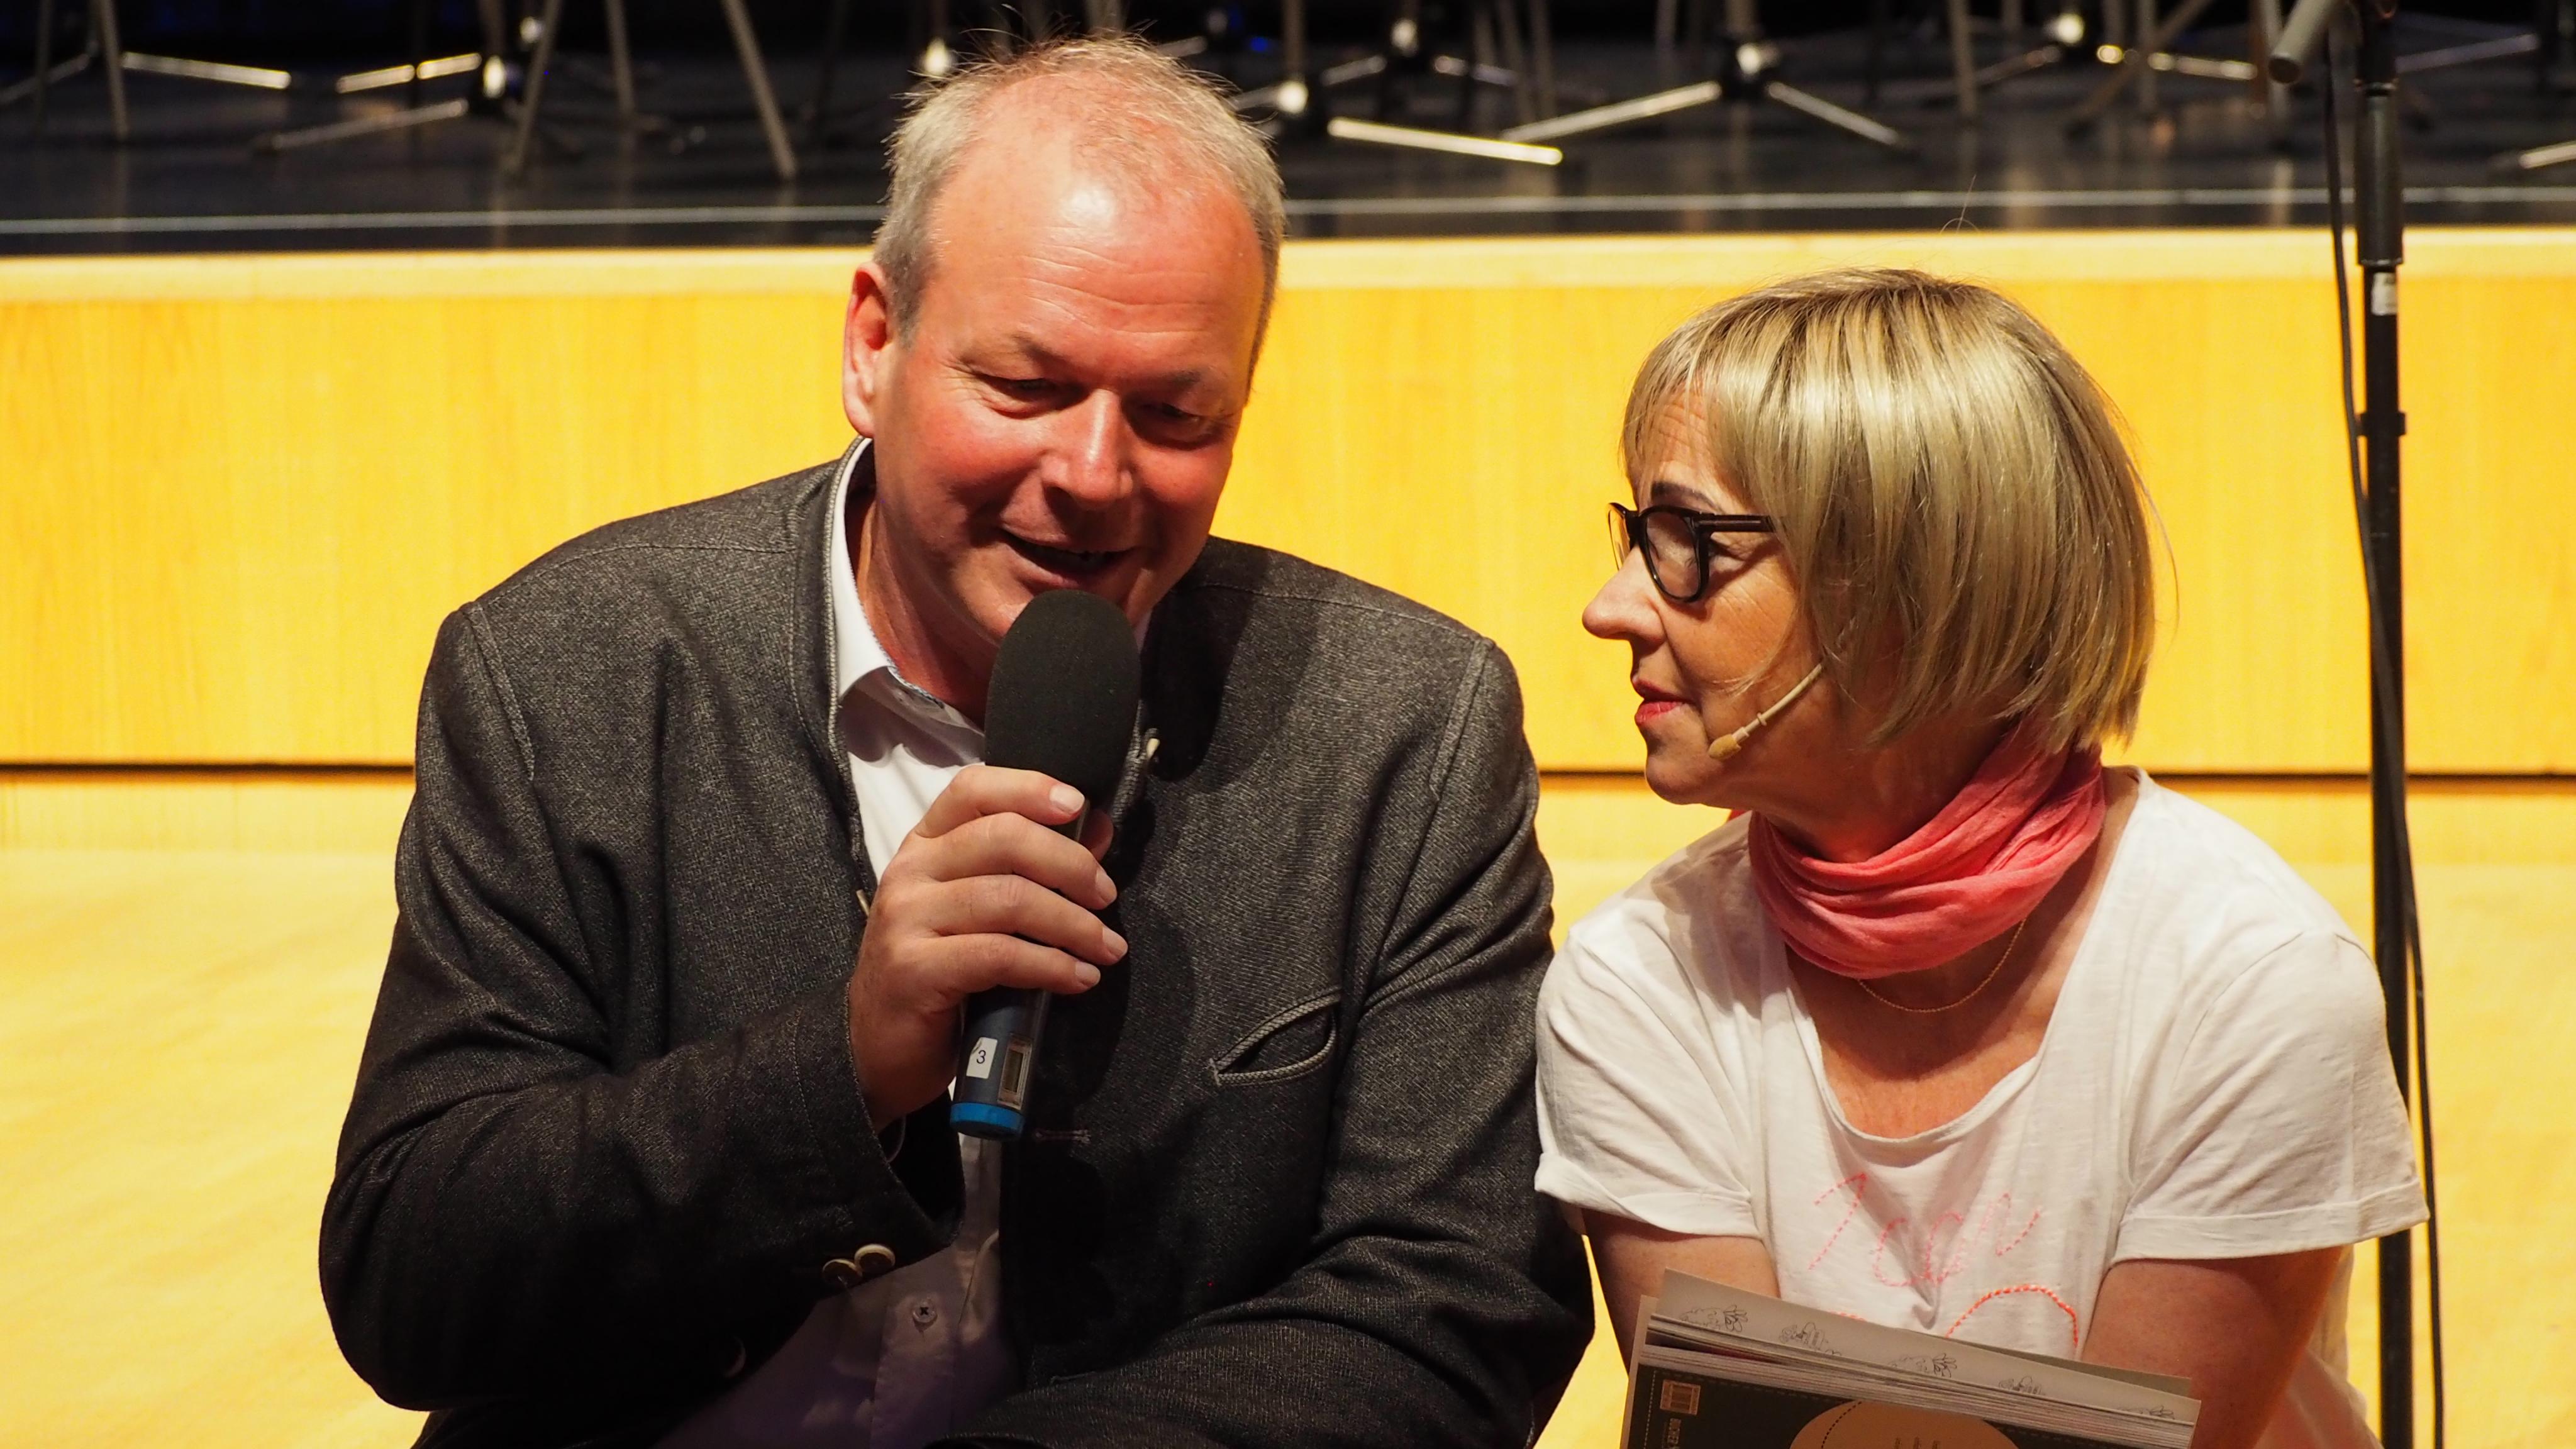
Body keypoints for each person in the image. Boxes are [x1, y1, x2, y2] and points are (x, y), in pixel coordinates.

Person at [321, 37, 1589, 1449]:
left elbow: (1461, 1303)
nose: (1094, 475)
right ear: (874, 344)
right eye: (1025, 388)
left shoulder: (1405, 724)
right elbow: (411, 1275)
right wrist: (841, 1073)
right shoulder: (569, 671)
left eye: (1175, 413)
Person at [1535, 269, 2425, 1449]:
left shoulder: (2251, 980)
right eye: (1640, 536)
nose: (1611, 608)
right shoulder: (1637, 981)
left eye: (1687, 541)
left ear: (1907, 583)